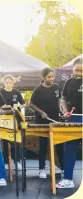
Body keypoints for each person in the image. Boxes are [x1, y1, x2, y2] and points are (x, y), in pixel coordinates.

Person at [29, 67, 64, 179]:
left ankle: (63, 169)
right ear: (44, 78)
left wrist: (62, 111)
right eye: (49, 77)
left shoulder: (57, 87)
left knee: (59, 145)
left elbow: (59, 101)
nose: (51, 78)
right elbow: (31, 104)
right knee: (43, 146)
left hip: (55, 120)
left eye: (52, 76)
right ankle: (42, 169)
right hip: (42, 120)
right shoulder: (38, 89)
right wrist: (41, 112)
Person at [56, 58, 82, 189]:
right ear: (72, 70)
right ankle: (68, 179)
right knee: (70, 148)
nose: (79, 73)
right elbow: (63, 99)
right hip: (73, 118)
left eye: (82, 71)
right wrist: (65, 111)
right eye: (77, 70)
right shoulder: (68, 82)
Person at [0, 74, 25, 170]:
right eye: (6, 83)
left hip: (15, 118)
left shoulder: (16, 92)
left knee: (16, 140)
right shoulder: (0, 92)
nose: (8, 84)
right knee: (5, 141)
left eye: (10, 83)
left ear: (13, 83)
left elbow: (24, 104)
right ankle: (6, 162)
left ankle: (17, 161)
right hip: (4, 118)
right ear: (4, 83)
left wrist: (18, 107)